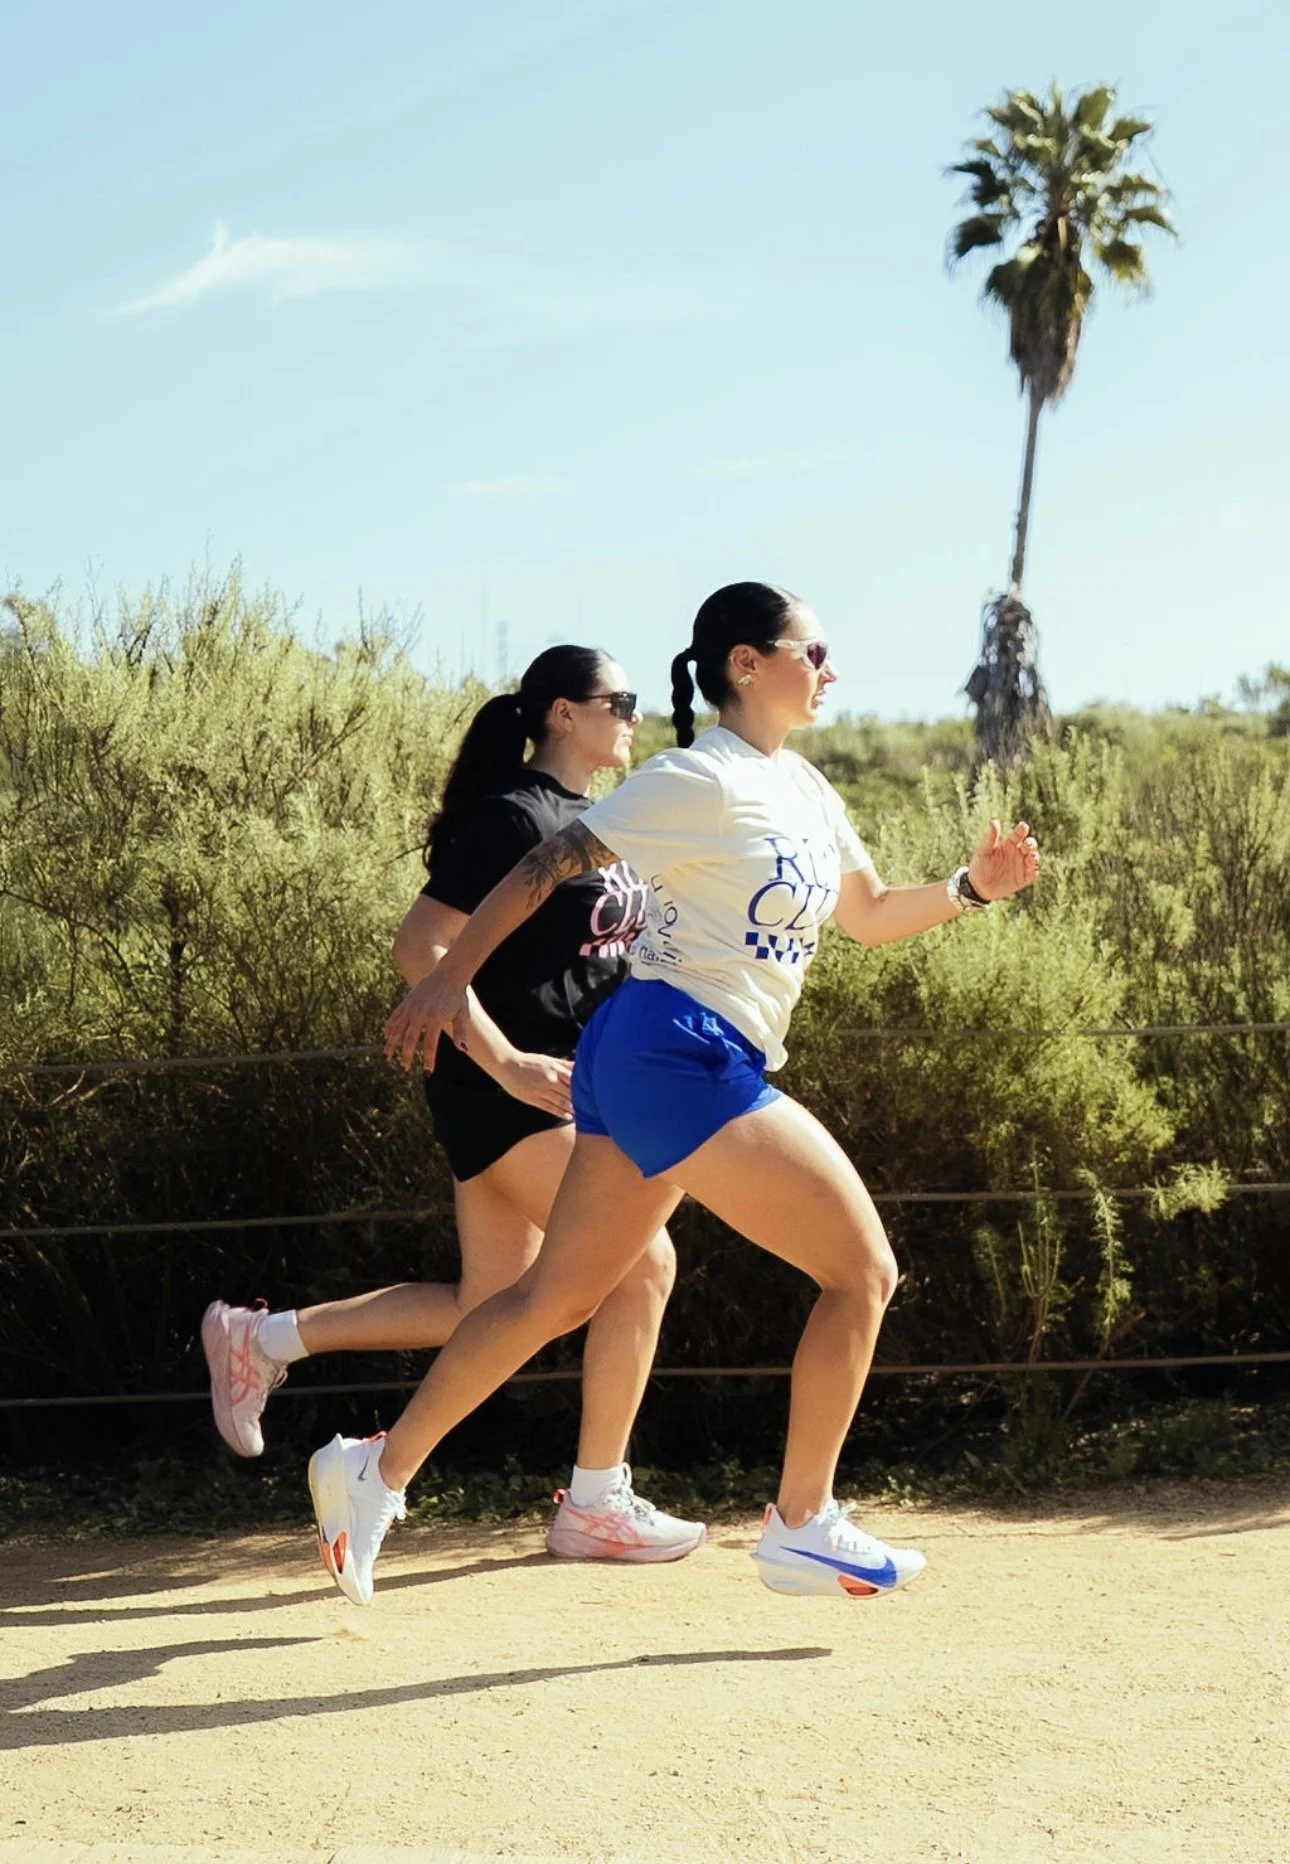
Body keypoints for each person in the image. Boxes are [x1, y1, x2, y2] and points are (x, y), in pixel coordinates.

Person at [309, 583, 1041, 1605]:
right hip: (680, 1047)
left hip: (649, 1051)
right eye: (814, 649)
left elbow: (868, 915)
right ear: (746, 663)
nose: (831, 669)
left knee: (552, 1296)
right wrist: (445, 977)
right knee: (862, 1271)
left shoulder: (807, 790)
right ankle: (800, 1522)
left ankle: (371, 1472)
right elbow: (540, 866)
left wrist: (970, 890)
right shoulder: (697, 777)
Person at [202, 646, 705, 1599]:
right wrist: (509, 1063)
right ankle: (596, 1499)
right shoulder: (516, 817)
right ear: (563, 712)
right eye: (621, 701)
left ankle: (261, 1342)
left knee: (492, 1303)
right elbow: (421, 946)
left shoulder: (596, 824)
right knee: (642, 1262)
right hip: (507, 1089)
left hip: (573, 1091)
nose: (635, 717)